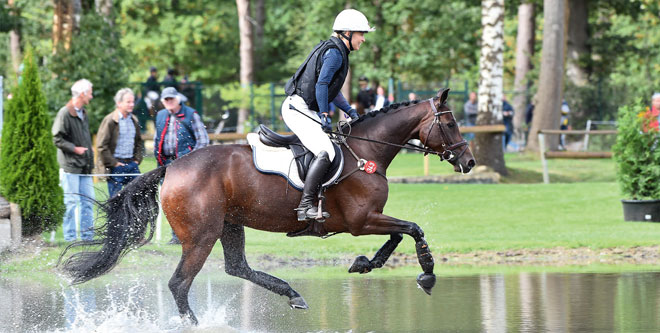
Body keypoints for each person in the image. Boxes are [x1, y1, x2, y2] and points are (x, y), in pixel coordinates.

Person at [282, 8, 371, 222]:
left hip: (304, 107)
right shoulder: (334, 53)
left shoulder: (338, 50)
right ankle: (305, 206)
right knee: (326, 151)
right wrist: (323, 113)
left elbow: (332, 90)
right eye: (362, 34)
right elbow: (322, 84)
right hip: (298, 108)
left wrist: (349, 110)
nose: (364, 39)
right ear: (347, 33)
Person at [154, 87, 209, 244]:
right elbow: (157, 138)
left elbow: (203, 140)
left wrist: (192, 161)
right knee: (170, 202)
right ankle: (176, 236)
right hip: (166, 164)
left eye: (171, 98)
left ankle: (192, 235)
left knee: (188, 201)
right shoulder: (160, 115)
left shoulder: (191, 114)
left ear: (178, 98)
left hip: (187, 166)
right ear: (163, 101)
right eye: (166, 99)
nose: (169, 102)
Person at [52, 79, 95, 242]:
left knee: (88, 203)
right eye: (90, 93)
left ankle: (87, 237)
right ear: (82, 94)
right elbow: (57, 138)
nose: (91, 96)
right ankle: (70, 238)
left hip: (85, 166)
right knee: (70, 203)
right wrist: (75, 149)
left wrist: (88, 147)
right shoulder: (64, 113)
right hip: (70, 166)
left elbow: (84, 135)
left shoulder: (84, 113)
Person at [96, 88, 144, 198]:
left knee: (137, 200)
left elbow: (139, 143)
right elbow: (101, 146)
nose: (132, 104)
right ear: (119, 103)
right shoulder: (110, 120)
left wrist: (137, 160)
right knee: (115, 203)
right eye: (128, 102)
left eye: (133, 101)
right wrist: (114, 163)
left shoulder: (134, 120)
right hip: (116, 166)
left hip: (132, 165)